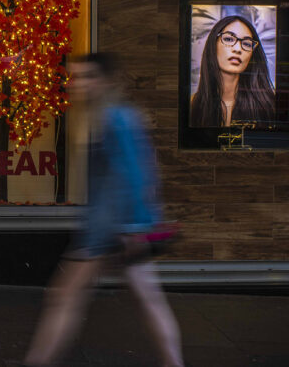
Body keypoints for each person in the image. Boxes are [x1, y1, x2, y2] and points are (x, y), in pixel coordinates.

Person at [24, 53, 183, 367]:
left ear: (105, 81)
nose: (78, 84)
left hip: (109, 230)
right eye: (76, 77)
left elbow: (138, 174)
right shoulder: (106, 116)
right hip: (117, 227)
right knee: (147, 298)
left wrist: (134, 228)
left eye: (86, 77)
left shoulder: (117, 118)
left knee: (63, 297)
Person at [190, 16, 274, 127]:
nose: (238, 49)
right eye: (229, 39)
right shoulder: (193, 105)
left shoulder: (268, 104)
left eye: (247, 44)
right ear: (213, 45)